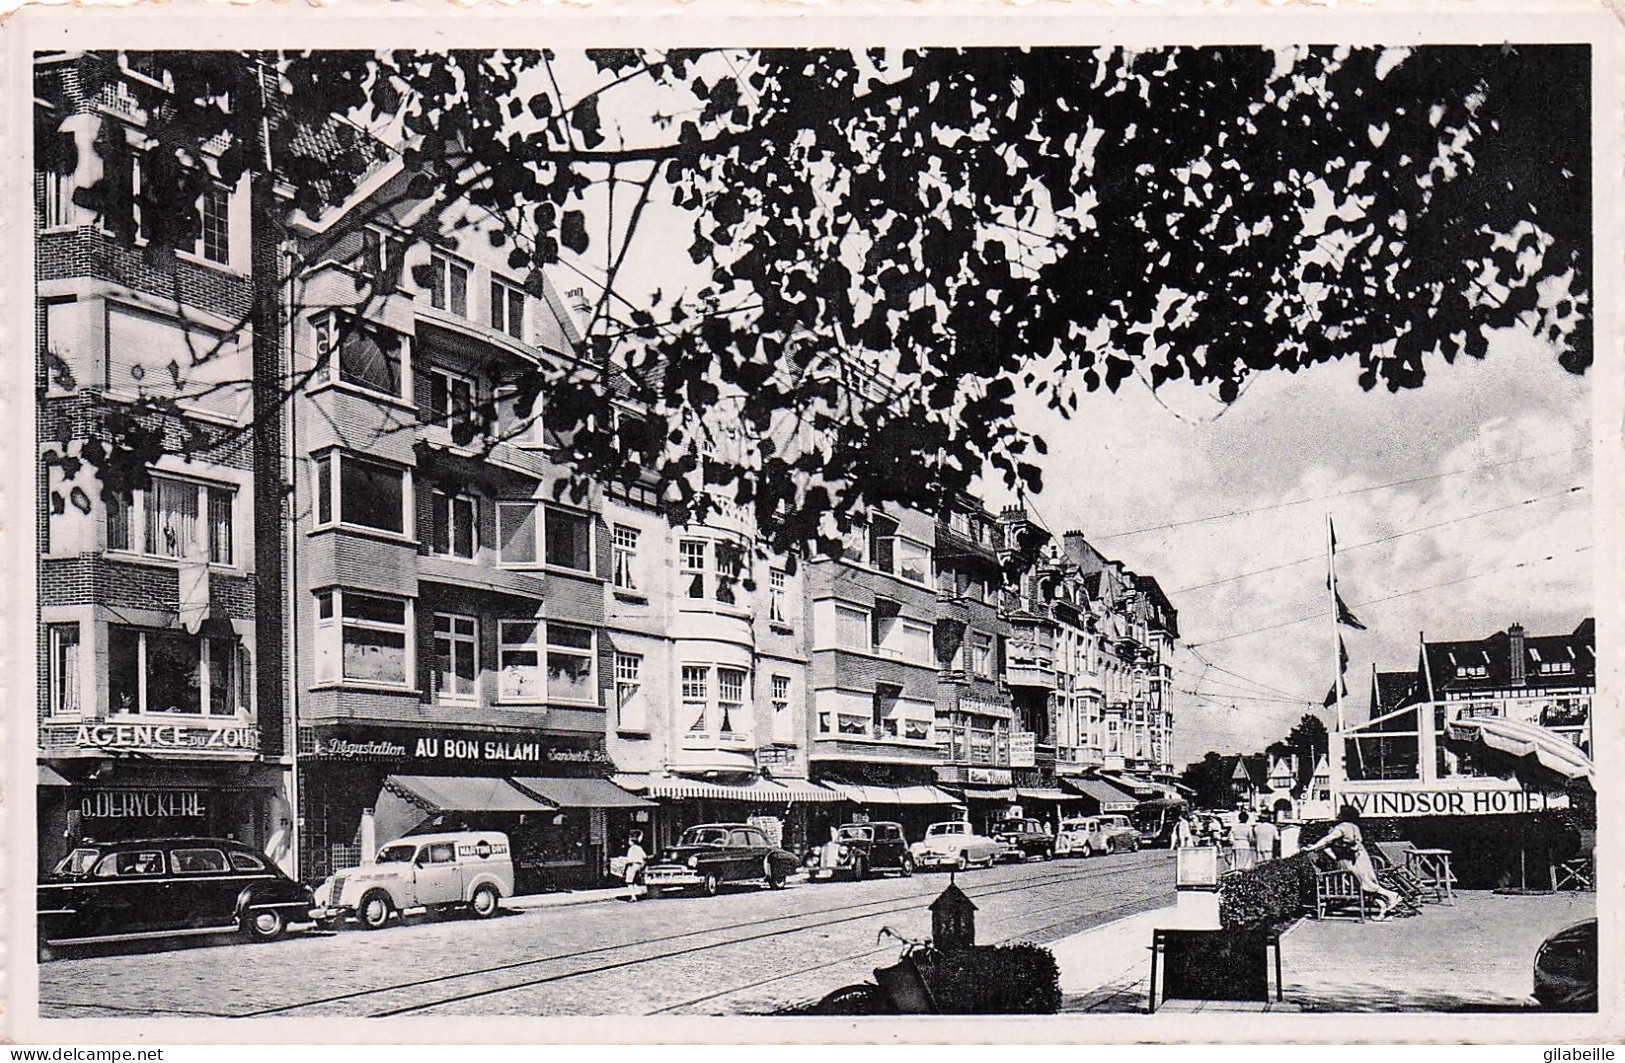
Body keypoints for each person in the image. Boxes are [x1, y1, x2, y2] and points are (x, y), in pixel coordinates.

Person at [1303, 805, 1403, 920]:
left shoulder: (1342, 827)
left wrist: (1312, 848)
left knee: (1364, 884)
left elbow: (1328, 839)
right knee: (1363, 885)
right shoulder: (1354, 827)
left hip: (1352, 860)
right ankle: (1383, 908)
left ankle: (1392, 895)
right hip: (1360, 856)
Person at [621, 831, 647, 901]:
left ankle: (633, 897)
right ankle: (639, 892)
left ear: (631, 841)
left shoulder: (631, 849)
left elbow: (629, 860)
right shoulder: (639, 848)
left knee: (629, 882)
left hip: (632, 865)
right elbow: (644, 856)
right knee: (634, 881)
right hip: (639, 865)